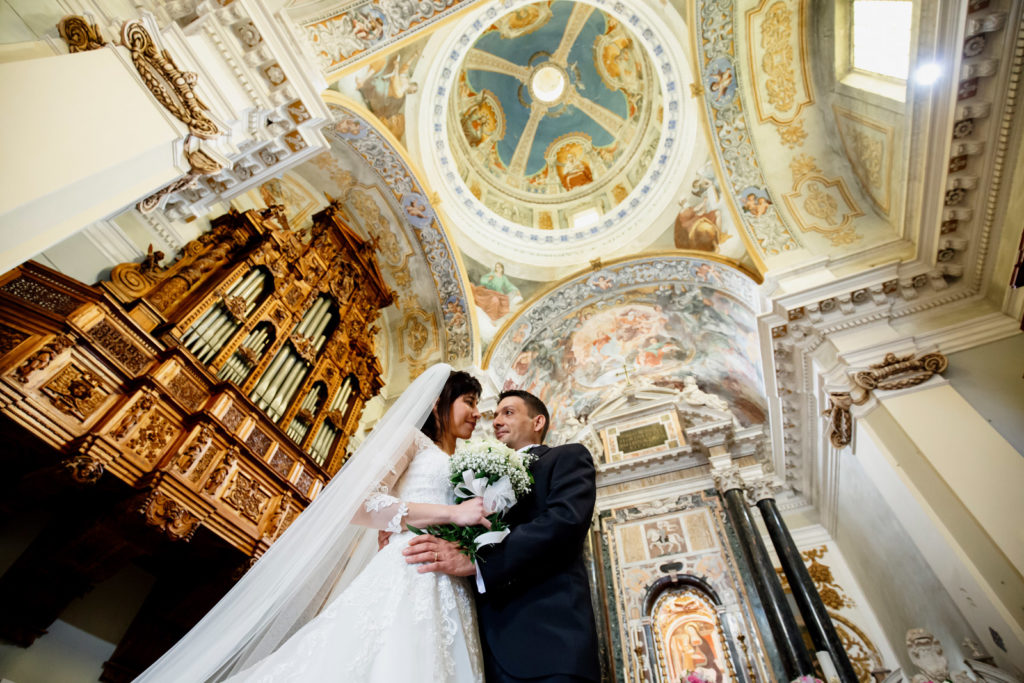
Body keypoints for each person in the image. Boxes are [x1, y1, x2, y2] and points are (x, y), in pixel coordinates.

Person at [135, 365, 490, 682]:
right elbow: (363, 504)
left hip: (452, 579)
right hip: (409, 568)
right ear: (437, 402)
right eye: (469, 401)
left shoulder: (466, 463)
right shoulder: (413, 441)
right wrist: (451, 514)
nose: (477, 413)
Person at [404, 389, 601, 682]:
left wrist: (479, 561)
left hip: (549, 640)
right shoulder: (472, 474)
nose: (495, 421)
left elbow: (564, 523)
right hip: (484, 648)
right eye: (495, 414)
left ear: (537, 423)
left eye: (507, 412)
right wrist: (400, 524)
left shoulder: (566, 457)